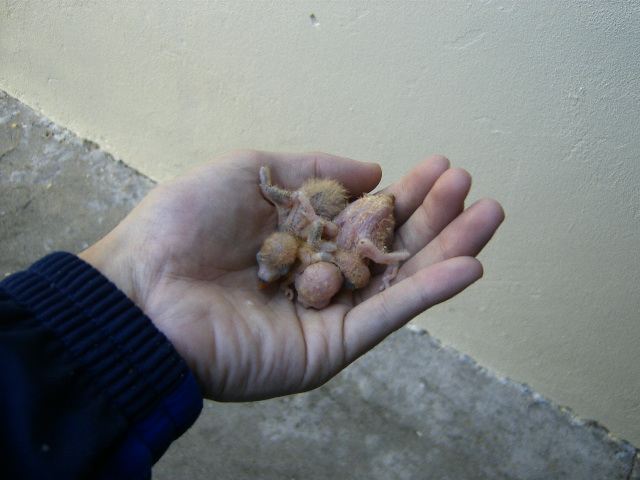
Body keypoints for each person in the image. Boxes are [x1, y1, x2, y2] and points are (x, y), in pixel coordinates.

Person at [0, 150, 504, 479]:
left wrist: (383, 264)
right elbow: (309, 225)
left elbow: (333, 238)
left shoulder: (327, 246)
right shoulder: (310, 243)